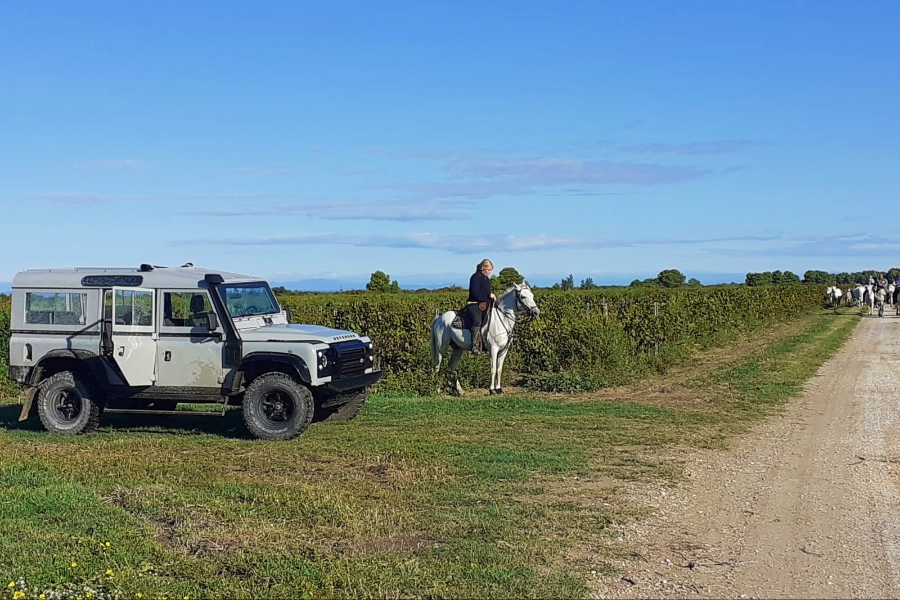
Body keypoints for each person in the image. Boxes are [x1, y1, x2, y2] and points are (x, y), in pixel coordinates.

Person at [466, 259, 497, 354]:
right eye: (488, 270)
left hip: (485, 304)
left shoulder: (486, 278)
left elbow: (486, 292)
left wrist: (492, 297)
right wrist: (488, 297)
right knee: (477, 320)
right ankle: (474, 345)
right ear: (483, 268)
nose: (489, 272)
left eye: (491, 270)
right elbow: (475, 293)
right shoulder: (475, 277)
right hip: (473, 303)